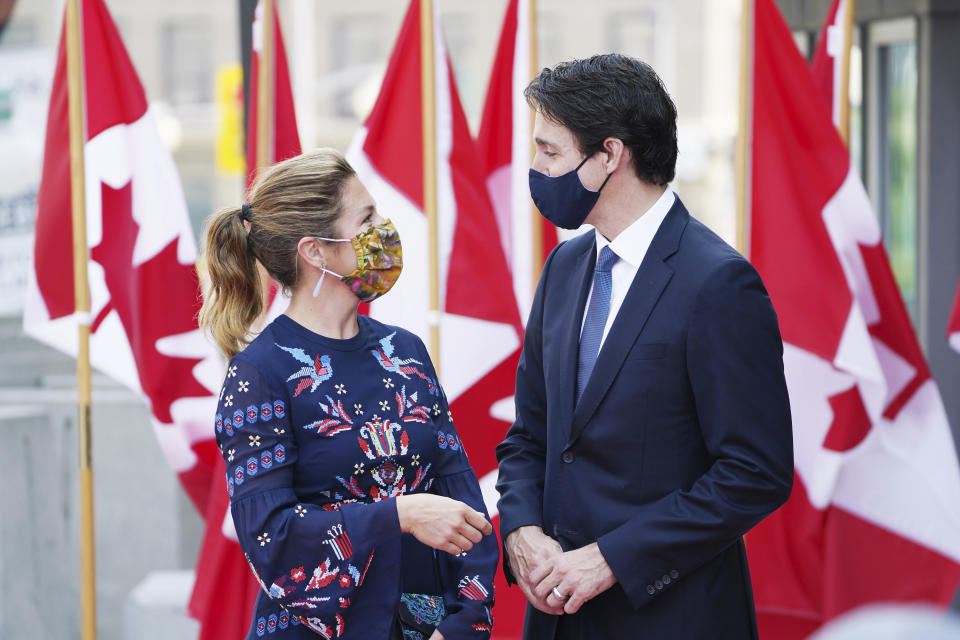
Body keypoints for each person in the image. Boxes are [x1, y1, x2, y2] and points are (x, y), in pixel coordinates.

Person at [495, 54, 794, 639]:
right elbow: (531, 433)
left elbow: (755, 472)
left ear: (609, 154)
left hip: (671, 616)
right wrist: (520, 528)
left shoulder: (718, 283)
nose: (535, 168)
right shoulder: (564, 265)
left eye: (549, 151)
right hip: (556, 618)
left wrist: (612, 558)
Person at [200, 149, 497, 640]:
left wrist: (464, 624)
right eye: (367, 218)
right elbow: (271, 538)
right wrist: (399, 515)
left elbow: (464, 503)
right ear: (315, 251)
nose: (385, 227)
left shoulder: (404, 352)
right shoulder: (259, 374)